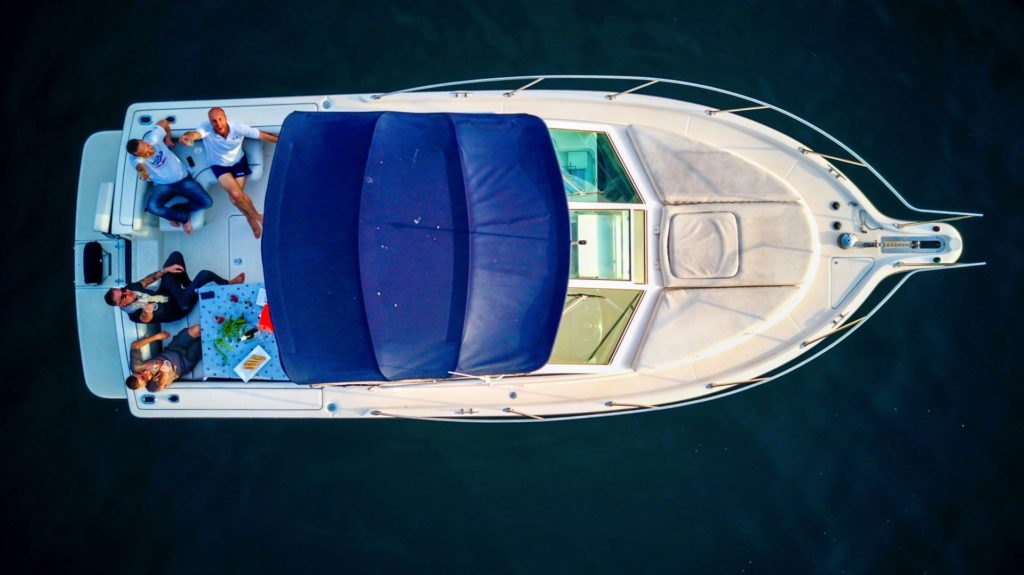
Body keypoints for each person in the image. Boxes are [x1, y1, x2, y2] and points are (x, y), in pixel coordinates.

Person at [179, 107, 279, 239]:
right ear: (210, 122)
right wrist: (187, 137)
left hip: (238, 163)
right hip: (219, 166)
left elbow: (262, 135)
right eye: (213, 121)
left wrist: (282, 141)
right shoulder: (206, 128)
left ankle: (250, 218)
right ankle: (256, 217)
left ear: (226, 118)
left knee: (235, 199)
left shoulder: (238, 128)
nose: (218, 123)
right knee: (237, 194)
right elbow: (195, 134)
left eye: (220, 119)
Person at [104, 251, 244, 324]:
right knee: (204, 275)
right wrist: (147, 311)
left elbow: (148, 280)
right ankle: (228, 283)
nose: (126, 291)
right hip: (177, 308)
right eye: (123, 295)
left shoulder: (131, 289)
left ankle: (188, 287)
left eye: (122, 289)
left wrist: (165, 270)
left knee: (175, 257)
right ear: (122, 304)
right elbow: (145, 318)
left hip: (168, 293)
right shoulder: (134, 315)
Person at [126, 118, 213, 234]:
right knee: (152, 207)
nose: (150, 151)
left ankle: (177, 210)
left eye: (147, 146)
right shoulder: (135, 159)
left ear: (143, 141)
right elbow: (140, 167)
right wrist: (142, 171)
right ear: (137, 155)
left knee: (207, 203)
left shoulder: (153, 138)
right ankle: (183, 218)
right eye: (145, 154)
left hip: (183, 179)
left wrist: (167, 139)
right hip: (163, 186)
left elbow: (164, 122)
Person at [126, 324, 202, 392]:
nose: (144, 372)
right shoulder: (151, 387)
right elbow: (161, 384)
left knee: (196, 329)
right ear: (143, 385)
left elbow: (134, 345)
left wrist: (157, 337)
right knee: (202, 342)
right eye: (143, 377)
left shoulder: (136, 367)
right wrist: (164, 372)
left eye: (139, 372)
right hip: (185, 361)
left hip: (173, 348)